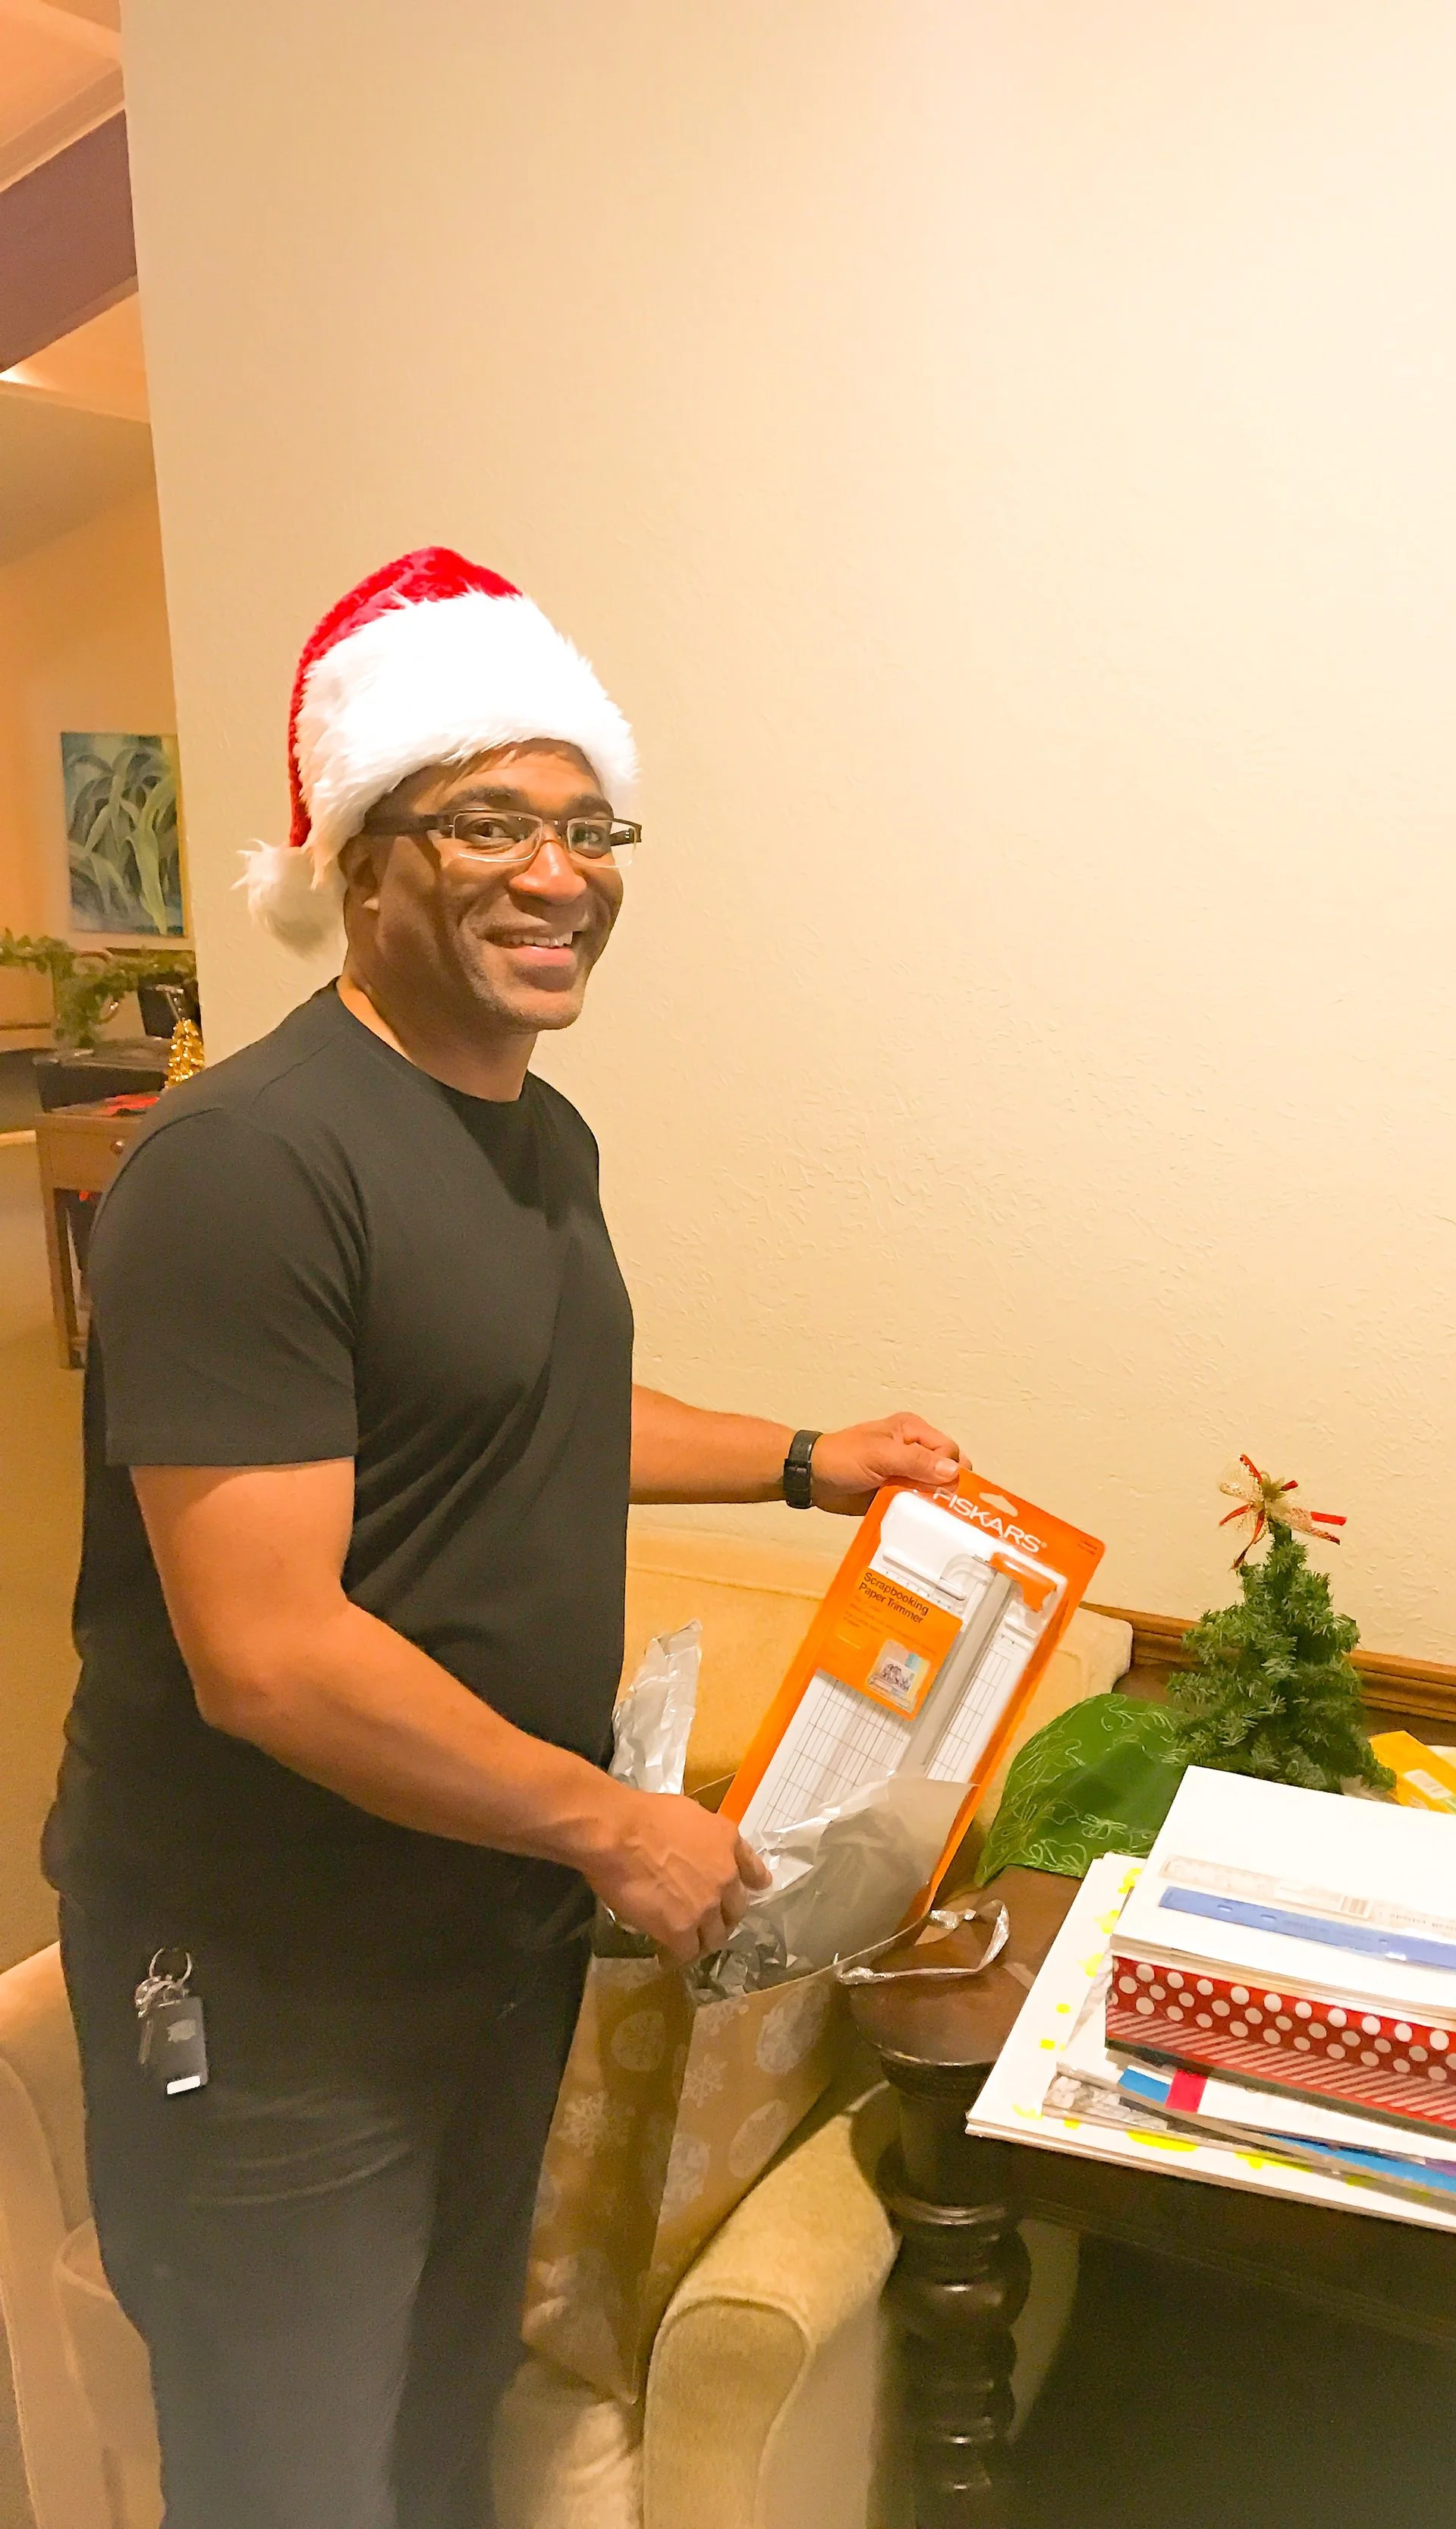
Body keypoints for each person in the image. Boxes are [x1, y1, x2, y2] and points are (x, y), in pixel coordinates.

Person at [43, 546, 965, 2529]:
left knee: (437, 2414)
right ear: (362, 860)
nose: (559, 872)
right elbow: (264, 1647)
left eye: (585, 824)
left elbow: (521, 1413)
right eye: (487, 820)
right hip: (275, 1967)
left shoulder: (537, 1137)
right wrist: (609, 1819)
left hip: (481, 1934)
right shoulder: (242, 1165)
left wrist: (814, 1458)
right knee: (290, 2468)